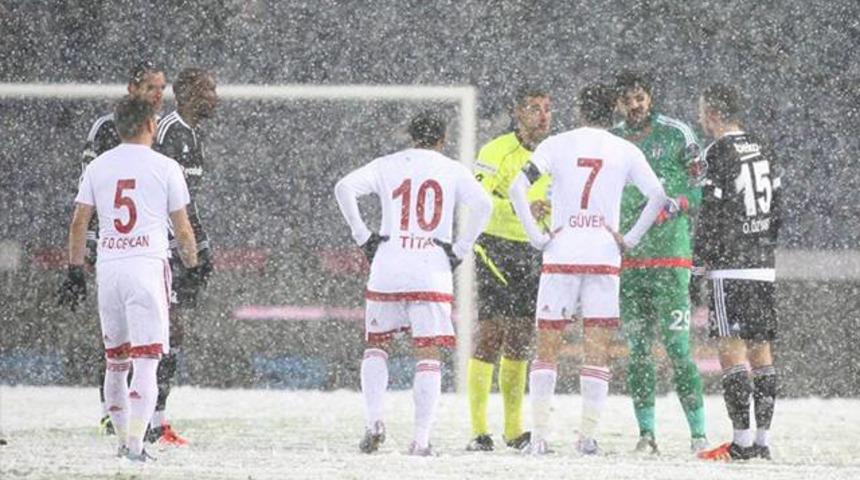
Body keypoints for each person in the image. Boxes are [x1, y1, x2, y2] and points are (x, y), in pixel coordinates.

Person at [509, 83, 667, 455]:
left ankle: (541, 436)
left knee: (547, 346)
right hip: (602, 256)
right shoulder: (625, 149)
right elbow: (658, 196)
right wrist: (628, 239)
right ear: (612, 110)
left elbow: (518, 187)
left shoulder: (556, 144)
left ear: (579, 110)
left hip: (561, 254)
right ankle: (587, 437)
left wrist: (536, 236)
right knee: (597, 349)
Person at [335, 111, 492, 456]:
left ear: (411, 135)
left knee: (377, 346)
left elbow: (343, 187)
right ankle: (420, 439)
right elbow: (484, 204)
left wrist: (363, 236)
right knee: (428, 353)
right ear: (443, 138)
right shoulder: (451, 169)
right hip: (431, 267)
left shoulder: (387, 164)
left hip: (388, 263)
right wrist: (461, 249)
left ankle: (374, 423)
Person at [58, 95, 199, 462]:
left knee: (116, 362)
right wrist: (194, 263)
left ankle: (122, 440)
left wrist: (75, 270)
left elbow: (78, 222)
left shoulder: (99, 167)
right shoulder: (167, 167)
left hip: (111, 269)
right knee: (148, 361)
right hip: (147, 267)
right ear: (151, 124)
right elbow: (182, 230)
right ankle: (136, 446)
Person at [611, 71, 708, 453]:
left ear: (650, 98)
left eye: (641, 97)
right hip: (630, 260)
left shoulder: (677, 134)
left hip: (670, 258)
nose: (636, 105)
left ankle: (698, 435)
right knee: (637, 350)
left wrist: (679, 203)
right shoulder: (612, 140)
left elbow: (702, 188)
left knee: (678, 349)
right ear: (619, 103)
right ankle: (646, 435)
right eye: (629, 99)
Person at [78, 61, 167, 435]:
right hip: (116, 247)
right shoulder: (108, 129)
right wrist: (94, 240)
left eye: (162, 87)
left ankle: (150, 417)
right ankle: (115, 414)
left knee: (150, 340)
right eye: (151, 87)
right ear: (132, 89)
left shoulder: (161, 130)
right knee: (120, 341)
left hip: (150, 247)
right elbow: (87, 192)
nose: (158, 94)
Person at [694, 84, 780, 462]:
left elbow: (711, 213)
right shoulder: (763, 147)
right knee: (762, 350)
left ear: (712, 114)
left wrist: (701, 261)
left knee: (732, 349)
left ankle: (741, 443)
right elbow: (778, 209)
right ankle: (762, 440)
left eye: (701, 112)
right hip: (763, 264)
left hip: (731, 266)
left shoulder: (717, 153)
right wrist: (763, 245)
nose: (700, 119)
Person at [466, 86, 552, 452]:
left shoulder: (554, 153)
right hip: (495, 247)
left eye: (548, 109)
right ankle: (478, 430)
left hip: (534, 250)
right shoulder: (496, 150)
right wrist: (522, 209)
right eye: (534, 109)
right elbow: (478, 199)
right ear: (518, 113)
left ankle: (515, 431)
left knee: (521, 337)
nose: (543, 116)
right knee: (491, 333)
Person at [146, 67, 218, 446]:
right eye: (208, 88)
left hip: (177, 247)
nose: (215, 97)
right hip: (157, 248)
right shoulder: (169, 131)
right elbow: (159, 196)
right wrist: (183, 247)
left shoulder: (193, 134)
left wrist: (202, 246)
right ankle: (140, 417)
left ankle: (153, 418)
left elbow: (188, 202)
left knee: (171, 332)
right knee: (162, 331)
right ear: (186, 92)